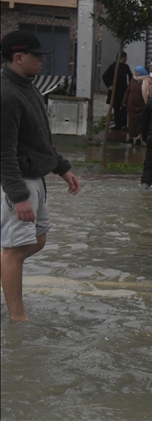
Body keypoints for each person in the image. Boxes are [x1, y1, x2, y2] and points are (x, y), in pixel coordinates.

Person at [0, 30, 81, 322]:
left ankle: (7, 270)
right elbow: (3, 151)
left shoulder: (28, 87)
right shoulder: (7, 94)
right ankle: (18, 318)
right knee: (14, 250)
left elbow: (39, 139)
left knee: (38, 239)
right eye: (37, 55)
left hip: (36, 177)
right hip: (19, 181)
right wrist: (18, 195)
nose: (42, 60)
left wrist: (62, 167)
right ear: (18, 58)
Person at [102, 51, 133, 130]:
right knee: (116, 107)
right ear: (122, 58)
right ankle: (118, 124)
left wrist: (130, 85)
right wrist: (109, 85)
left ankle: (123, 125)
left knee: (124, 107)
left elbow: (130, 76)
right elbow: (105, 76)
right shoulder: (113, 66)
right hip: (115, 91)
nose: (126, 59)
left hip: (123, 90)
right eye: (125, 57)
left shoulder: (125, 67)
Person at [123, 65, 149, 145]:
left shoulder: (147, 81)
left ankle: (138, 138)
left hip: (142, 104)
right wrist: (124, 101)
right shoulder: (133, 80)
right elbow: (128, 91)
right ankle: (131, 137)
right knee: (131, 122)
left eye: (137, 72)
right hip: (132, 105)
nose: (136, 73)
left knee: (140, 122)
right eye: (136, 72)